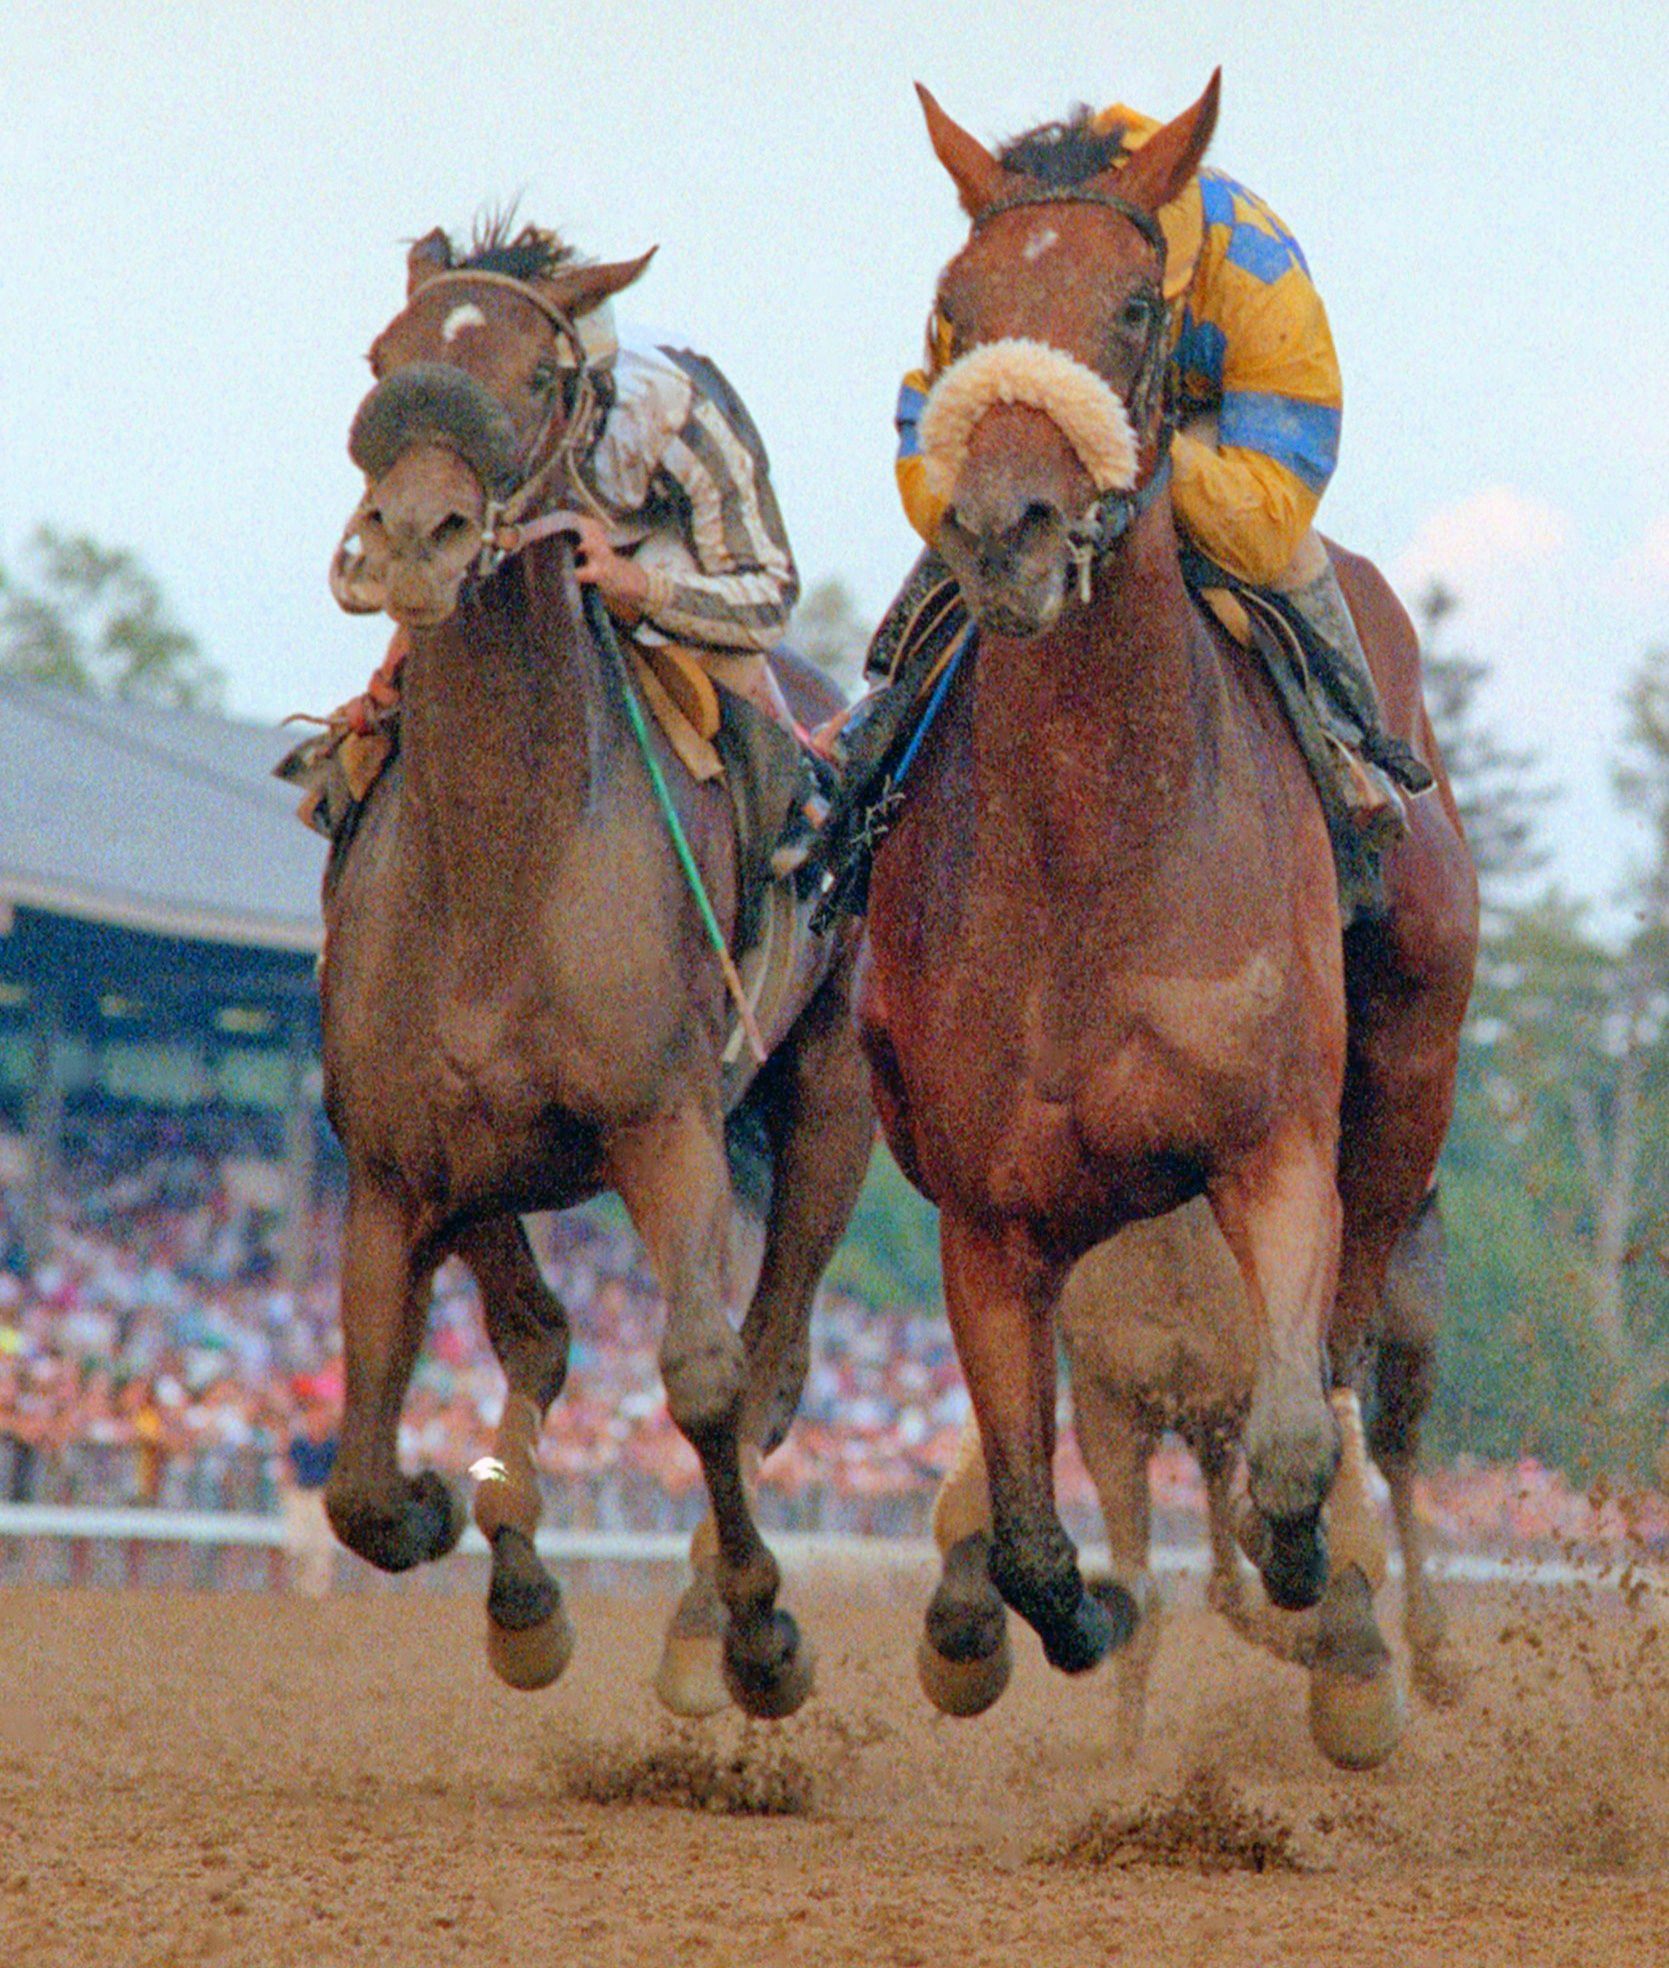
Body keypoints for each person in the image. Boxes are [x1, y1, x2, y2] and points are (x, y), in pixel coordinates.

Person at [880, 98, 1426, 842]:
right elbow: (931, 432)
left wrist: (1128, 456)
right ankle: (864, 753)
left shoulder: (1249, 262)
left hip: (1209, 439)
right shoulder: (997, 263)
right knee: (972, 537)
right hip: (1036, 455)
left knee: (1289, 554)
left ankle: (1350, 747)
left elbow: (1268, 515)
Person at [301, 228, 821, 873]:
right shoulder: (442, 413)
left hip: (658, 569)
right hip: (500, 548)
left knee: (747, 707)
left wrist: (636, 585)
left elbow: (768, 595)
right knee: (359, 755)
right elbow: (366, 582)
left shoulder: (670, 406)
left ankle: (792, 850)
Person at [281, 1382, 338, 1598]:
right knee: (297, 1545)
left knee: (321, 1549)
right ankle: (297, 1587)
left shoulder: (332, 1444)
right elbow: (289, 1467)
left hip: (321, 1497)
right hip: (300, 1495)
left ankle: (316, 1594)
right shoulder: (299, 1442)